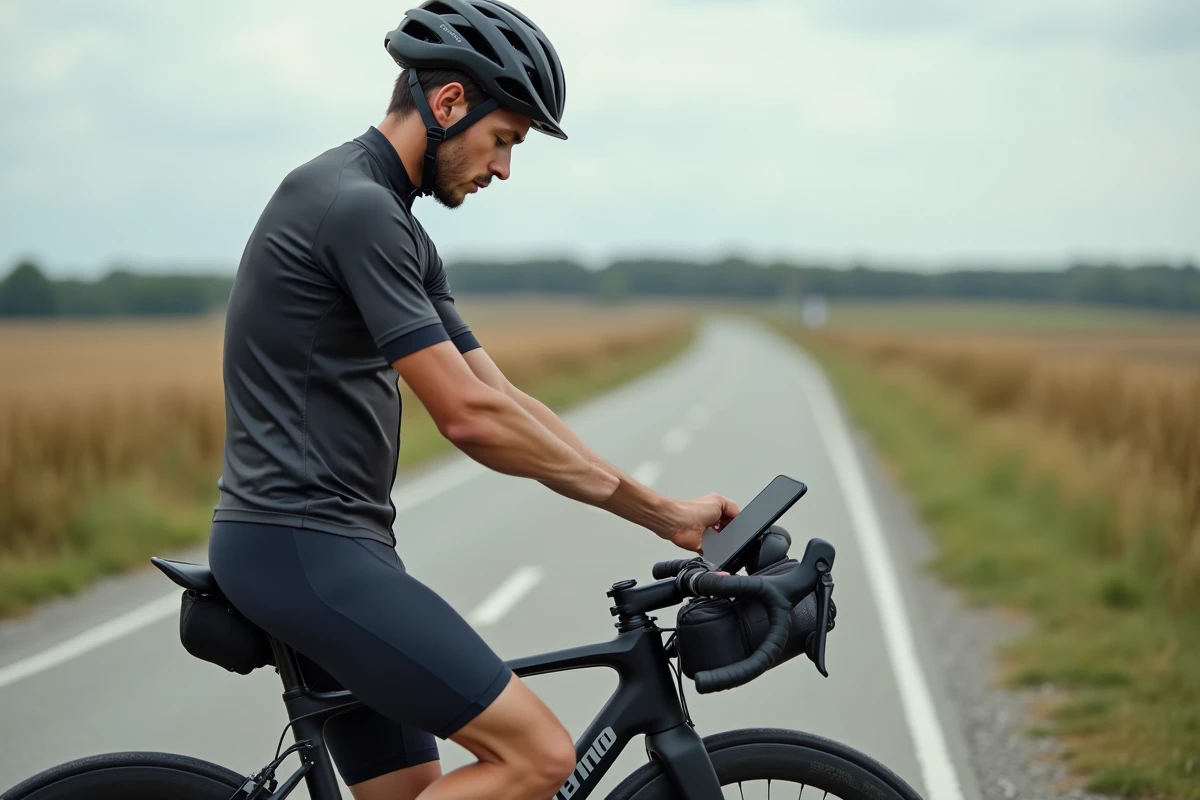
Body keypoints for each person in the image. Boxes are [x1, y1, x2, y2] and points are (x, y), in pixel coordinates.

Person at [206, 2, 740, 799]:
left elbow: (502, 397)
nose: (504, 169)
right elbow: (468, 417)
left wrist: (667, 513)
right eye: (504, 140)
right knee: (537, 757)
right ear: (450, 102)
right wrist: (658, 513)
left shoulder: (391, 223)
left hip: (333, 548)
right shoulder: (355, 208)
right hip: (305, 551)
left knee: (416, 787)